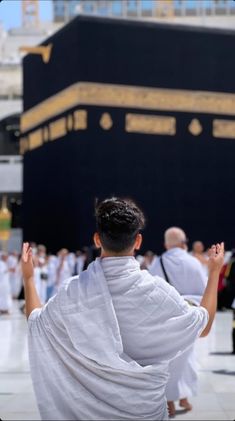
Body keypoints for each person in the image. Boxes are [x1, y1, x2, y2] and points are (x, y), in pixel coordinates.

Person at [21, 198, 224, 420]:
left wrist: (28, 278)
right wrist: (214, 272)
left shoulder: (73, 292)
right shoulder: (159, 292)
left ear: (97, 239)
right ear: (138, 241)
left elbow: (35, 320)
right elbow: (202, 326)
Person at [149, 227, 208, 416]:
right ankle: (179, 398)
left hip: (165, 317)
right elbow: (204, 290)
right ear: (183, 243)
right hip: (190, 316)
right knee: (187, 357)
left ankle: (173, 400)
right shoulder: (193, 262)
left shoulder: (158, 263)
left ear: (166, 244)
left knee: (168, 359)